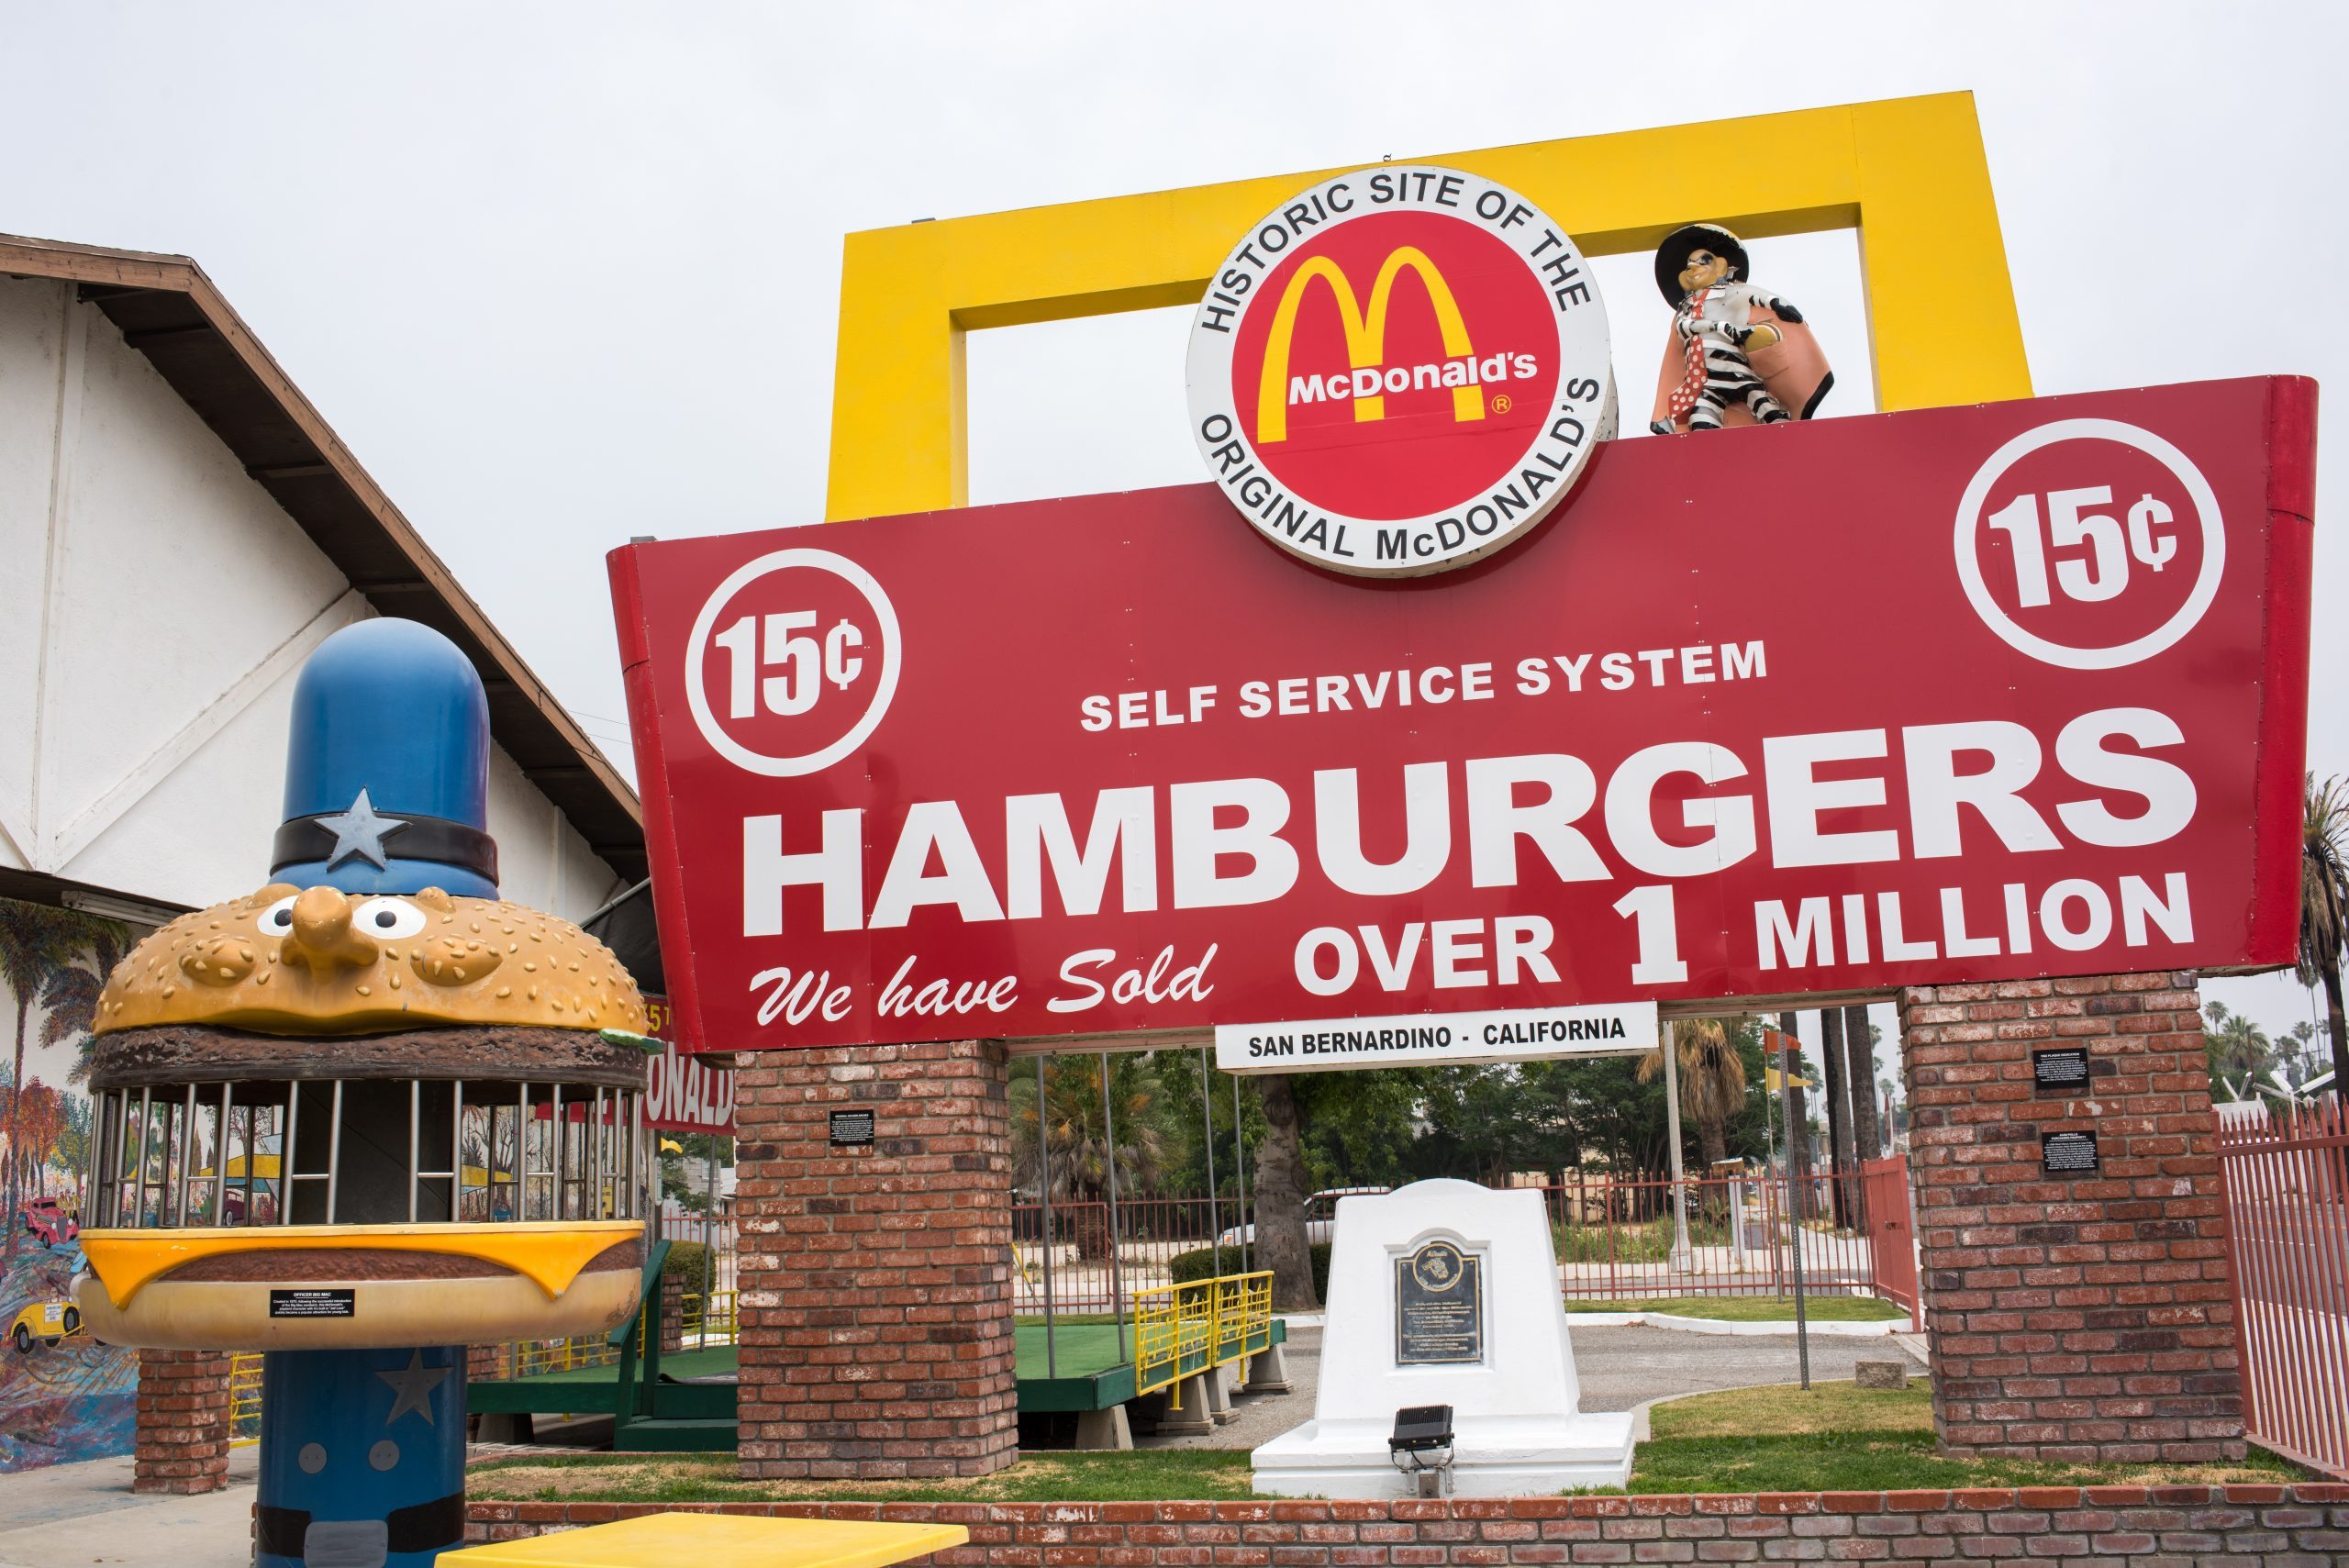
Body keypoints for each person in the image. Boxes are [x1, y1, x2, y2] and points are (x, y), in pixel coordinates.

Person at [1647, 222, 1833, 435]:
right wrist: (1721, 327)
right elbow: (1682, 331)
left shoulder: (1733, 293)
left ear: (1720, 267)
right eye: (1690, 263)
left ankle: (1784, 435)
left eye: (1702, 261)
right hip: (1705, 382)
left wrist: (1779, 306)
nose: (1693, 266)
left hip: (1736, 371)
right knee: (1701, 422)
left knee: (1763, 404)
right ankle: (1702, 453)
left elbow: (1758, 297)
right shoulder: (1685, 310)